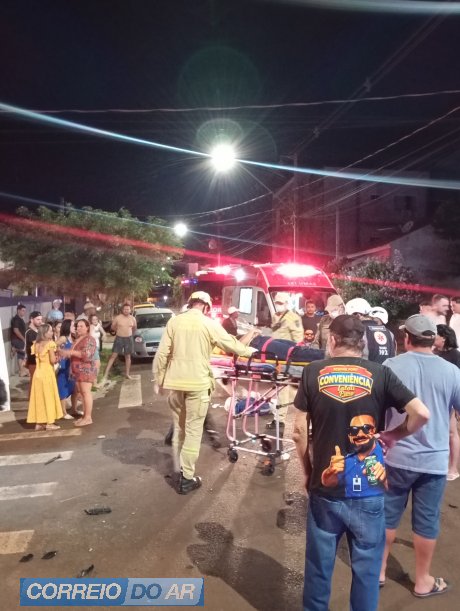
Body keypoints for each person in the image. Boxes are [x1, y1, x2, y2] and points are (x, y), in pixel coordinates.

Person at [293, 314, 429, 611]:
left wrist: (308, 472)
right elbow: (421, 414)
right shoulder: (380, 373)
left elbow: (299, 431)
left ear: (332, 340)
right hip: (369, 490)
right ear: (363, 342)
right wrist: (393, 435)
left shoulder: (313, 371)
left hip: (326, 489)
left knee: (318, 569)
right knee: (367, 572)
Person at [379, 314, 460, 598]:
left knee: (387, 515)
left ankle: (379, 570)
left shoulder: (391, 366)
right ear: (433, 340)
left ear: (407, 338)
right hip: (434, 461)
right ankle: (423, 580)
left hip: (396, 456)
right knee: (426, 520)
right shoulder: (452, 371)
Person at [152, 291, 256, 495]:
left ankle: (180, 469)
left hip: (175, 384)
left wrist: (159, 380)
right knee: (193, 431)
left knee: (180, 429)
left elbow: (162, 354)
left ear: (190, 303)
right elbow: (233, 346)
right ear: (206, 307)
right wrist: (253, 351)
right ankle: (187, 478)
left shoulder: (174, 322)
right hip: (197, 385)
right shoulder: (208, 324)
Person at [265, 292, 303, 432]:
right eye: (277, 303)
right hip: (275, 357)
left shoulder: (294, 318)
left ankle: (280, 419)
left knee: (282, 388)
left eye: (281, 303)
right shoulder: (276, 316)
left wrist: (293, 358)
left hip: (286, 357)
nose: (278, 305)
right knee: (280, 388)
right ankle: (280, 417)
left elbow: (298, 340)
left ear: (287, 304)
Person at [434, 324, 460, 481]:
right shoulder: (434, 353)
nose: (433, 337)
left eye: (435, 334)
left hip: (450, 399)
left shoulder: (455, 355)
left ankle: (453, 468)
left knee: (451, 432)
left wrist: (457, 405)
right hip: (437, 398)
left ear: (443, 338)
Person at [26, 324, 63, 431]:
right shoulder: (50, 344)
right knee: (48, 397)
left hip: (37, 373)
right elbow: (52, 360)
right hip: (47, 373)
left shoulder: (36, 344)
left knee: (39, 398)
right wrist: (58, 358)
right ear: (45, 333)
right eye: (50, 331)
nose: (52, 333)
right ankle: (49, 422)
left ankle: (39, 422)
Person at [60, 319, 97, 426]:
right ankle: (85, 416)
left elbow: (86, 355)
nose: (78, 328)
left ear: (87, 327)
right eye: (77, 326)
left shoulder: (89, 339)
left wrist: (70, 352)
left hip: (86, 369)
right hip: (77, 370)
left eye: (81, 326)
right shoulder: (78, 339)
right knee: (82, 393)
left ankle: (88, 417)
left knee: (86, 393)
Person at [346, 298, 396, 363]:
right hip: (387, 369)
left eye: (350, 317)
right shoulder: (389, 333)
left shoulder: (358, 332)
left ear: (358, 315)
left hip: (365, 369)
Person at [56, 319, 76, 420]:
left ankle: (74, 409)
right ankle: (63, 412)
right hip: (64, 366)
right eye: (73, 325)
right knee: (62, 388)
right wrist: (60, 352)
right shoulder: (63, 338)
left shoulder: (72, 337)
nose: (74, 327)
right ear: (68, 326)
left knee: (74, 388)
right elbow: (54, 345)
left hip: (71, 365)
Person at [25, 311, 43, 390]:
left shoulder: (37, 331)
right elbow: (38, 346)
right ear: (32, 320)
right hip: (33, 361)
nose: (40, 321)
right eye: (38, 319)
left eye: (41, 319)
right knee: (34, 383)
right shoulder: (29, 332)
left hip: (38, 361)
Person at [10, 303, 28, 377]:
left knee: (21, 354)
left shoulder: (20, 319)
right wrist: (24, 339)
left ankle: (22, 371)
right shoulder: (16, 319)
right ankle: (15, 349)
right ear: (18, 311)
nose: (24, 312)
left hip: (19, 340)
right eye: (23, 310)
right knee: (22, 352)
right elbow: (16, 330)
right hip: (17, 339)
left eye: (25, 311)